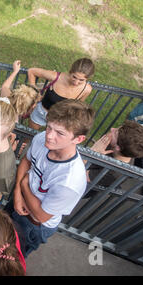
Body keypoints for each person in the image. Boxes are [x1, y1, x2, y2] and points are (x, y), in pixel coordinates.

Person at [8, 99, 95, 256]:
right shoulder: (41, 138)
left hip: (34, 225)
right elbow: (26, 161)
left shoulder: (70, 182)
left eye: (60, 133)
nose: (49, 136)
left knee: (11, 258)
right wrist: (17, 194)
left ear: (78, 139)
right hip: (17, 202)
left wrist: (24, 186)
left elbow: (41, 216)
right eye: (49, 127)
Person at [28, 58, 94, 130]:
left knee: (50, 140)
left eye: (81, 80)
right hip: (40, 113)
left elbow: (77, 106)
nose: (76, 82)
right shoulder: (57, 77)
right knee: (28, 138)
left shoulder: (87, 89)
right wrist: (34, 95)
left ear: (87, 79)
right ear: (70, 72)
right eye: (74, 77)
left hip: (59, 120)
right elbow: (32, 71)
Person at [87, 120, 143, 188]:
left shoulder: (114, 173)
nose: (112, 129)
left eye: (115, 132)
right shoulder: (126, 149)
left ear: (118, 147)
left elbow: (81, 175)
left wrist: (93, 151)